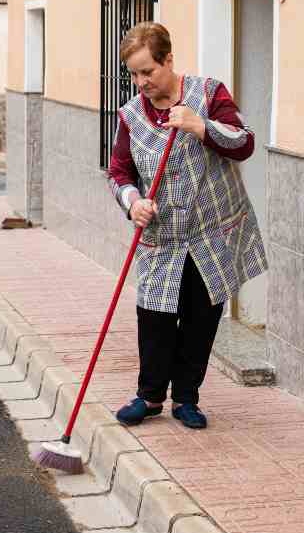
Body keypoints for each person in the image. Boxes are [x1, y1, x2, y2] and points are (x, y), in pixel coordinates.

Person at [106, 22, 267, 430]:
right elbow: (119, 172)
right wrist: (133, 202)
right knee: (155, 317)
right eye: (134, 74)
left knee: (200, 318)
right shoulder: (130, 117)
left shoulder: (209, 94)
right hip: (163, 238)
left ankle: (186, 399)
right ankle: (149, 397)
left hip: (213, 232)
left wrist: (201, 126)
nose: (141, 81)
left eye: (148, 71)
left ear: (169, 60)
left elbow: (244, 143)